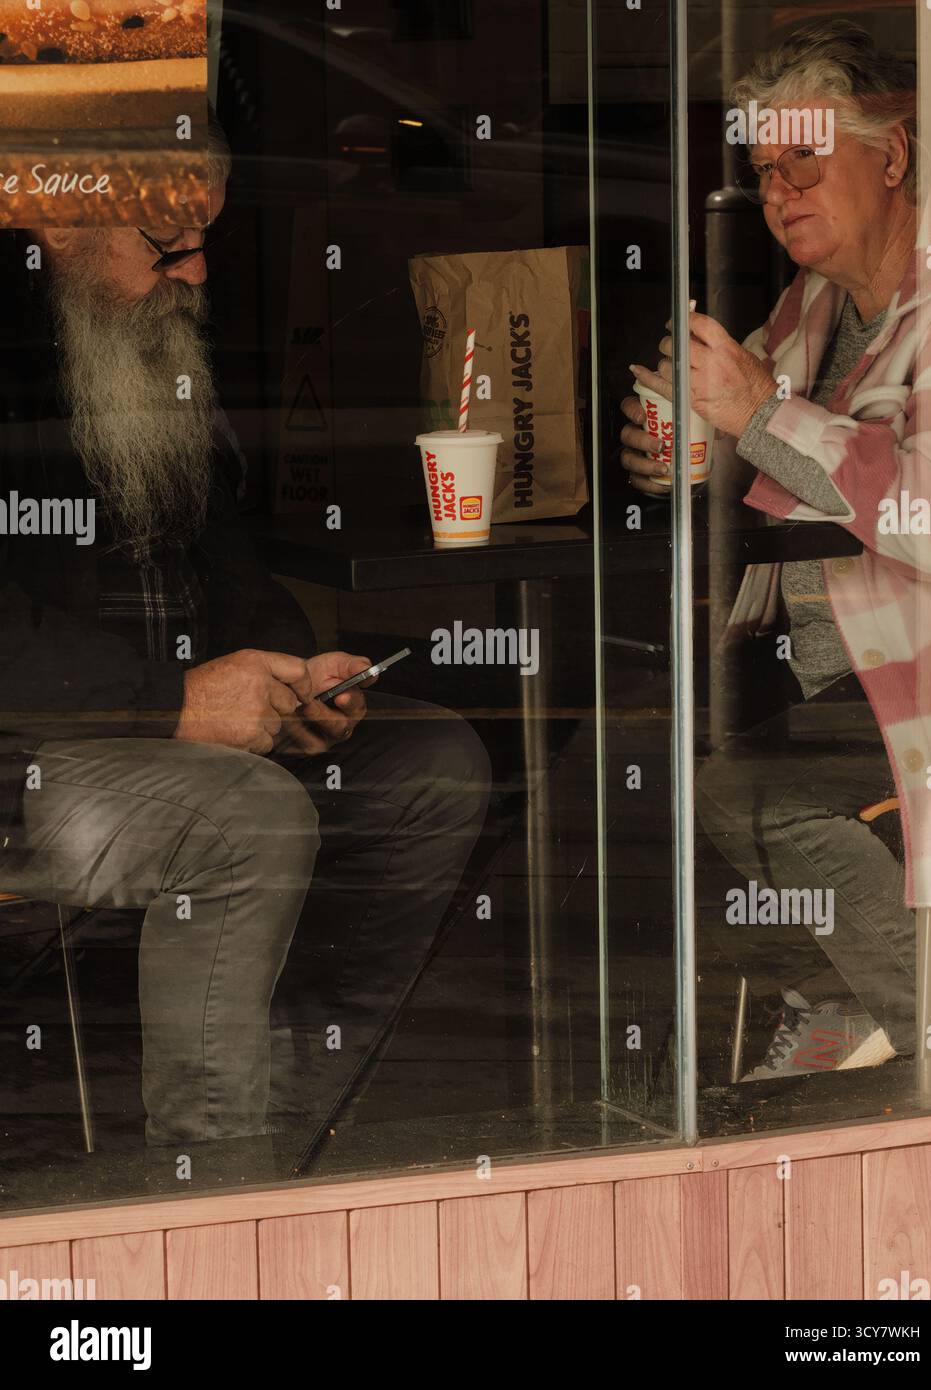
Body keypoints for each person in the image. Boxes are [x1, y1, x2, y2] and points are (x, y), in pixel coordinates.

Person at [0, 123, 491, 1146]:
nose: (197, 269)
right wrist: (171, 703)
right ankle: (211, 1176)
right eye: (165, 240)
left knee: (432, 766)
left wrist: (290, 671)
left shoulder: (146, 335)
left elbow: (220, 563)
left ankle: (288, 1107)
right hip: (36, 753)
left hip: (174, 730)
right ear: (54, 213)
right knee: (247, 814)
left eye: (206, 235)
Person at [619, 19, 931, 1078]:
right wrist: (680, 448)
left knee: (743, 794)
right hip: (804, 668)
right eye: (764, 169)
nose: (778, 193)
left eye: (803, 160)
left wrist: (759, 412)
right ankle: (828, 1002)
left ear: (893, 153)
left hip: (929, 681)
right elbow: (744, 450)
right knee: (616, 761)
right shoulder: (813, 301)